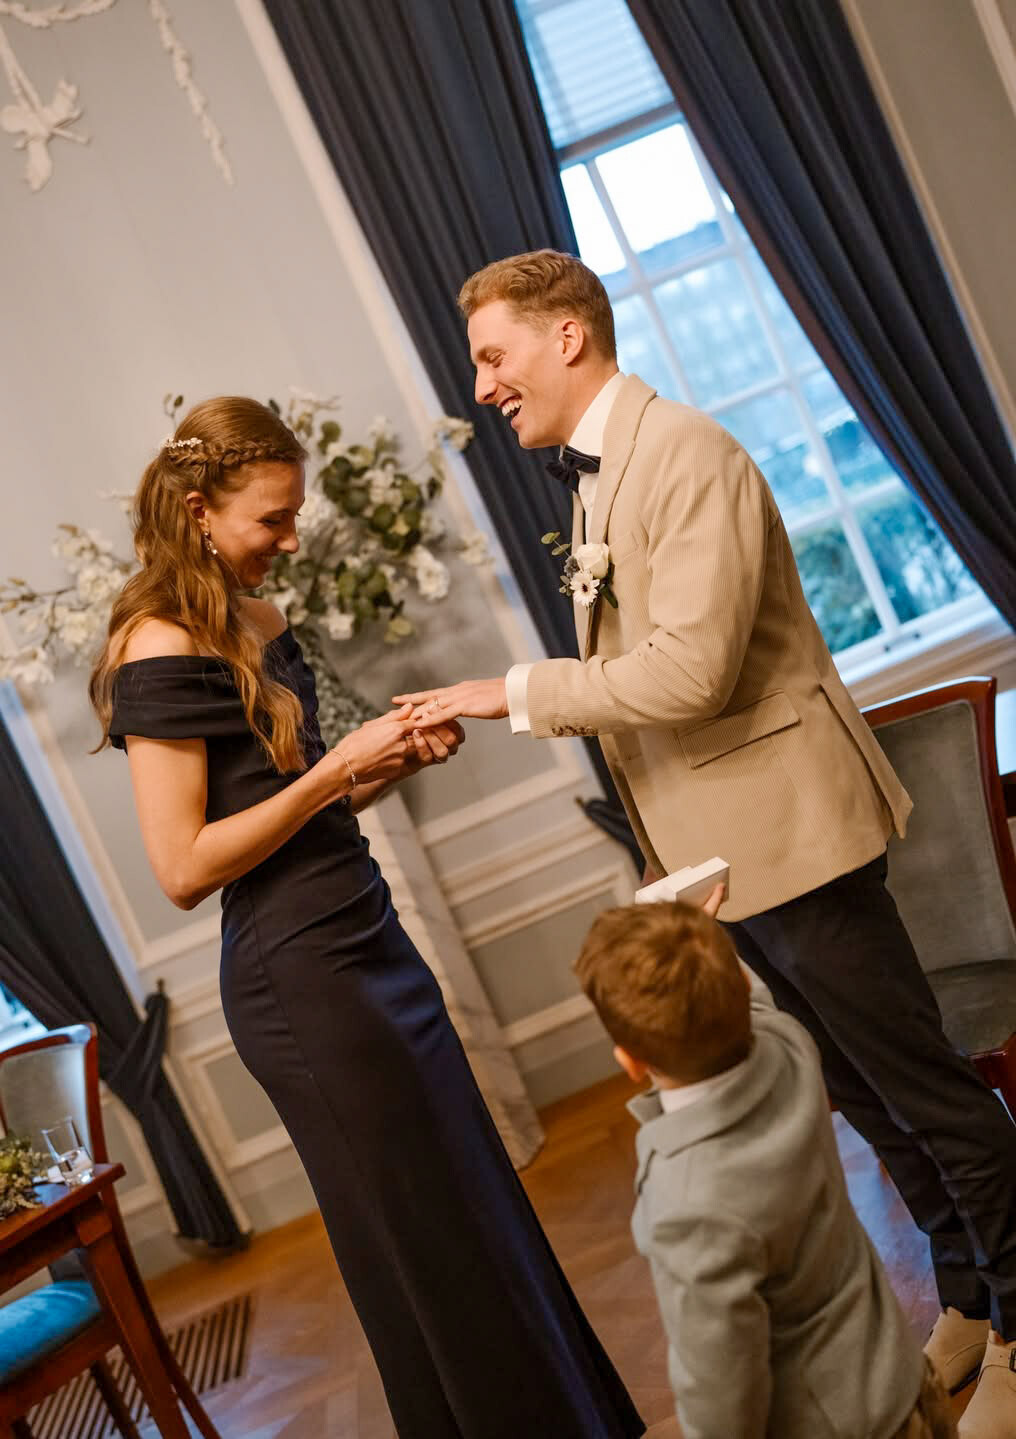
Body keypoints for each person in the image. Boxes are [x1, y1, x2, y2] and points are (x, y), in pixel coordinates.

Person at [393, 250, 1016, 1436]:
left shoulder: (682, 451)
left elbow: (691, 673)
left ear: (568, 335)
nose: (482, 386)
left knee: (929, 1093)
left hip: (796, 833)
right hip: (731, 859)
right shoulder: (601, 477)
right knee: (870, 1101)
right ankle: (971, 1295)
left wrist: (506, 691)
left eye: (493, 355)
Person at [88, 395, 644, 1438]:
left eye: (295, 516)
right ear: (200, 510)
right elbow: (182, 867)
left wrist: (384, 764)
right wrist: (334, 768)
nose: (291, 540)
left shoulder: (260, 621)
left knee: (477, 1211)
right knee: (423, 1246)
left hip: (370, 940)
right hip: (300, 986)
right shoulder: (152, 644)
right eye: (273, 519)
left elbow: (305, 800)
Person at [573, 886, 955, 1439]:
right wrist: (707, 944)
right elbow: (752, 1004)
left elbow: (719, 1386)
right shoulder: (788, 1049)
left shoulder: (688, 1206)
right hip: (904, 1382)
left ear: (630, 1061)